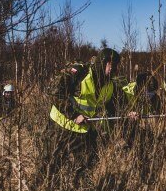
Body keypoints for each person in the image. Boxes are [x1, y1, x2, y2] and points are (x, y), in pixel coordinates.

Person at [44, 47, 121, 183]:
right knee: (50, 165)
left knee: (88, 162)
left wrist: (130, 113)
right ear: (103, 63)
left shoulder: (109, 85)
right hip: (61, 126)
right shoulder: (80, 72)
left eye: (116, 65)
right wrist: (74, 115)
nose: (115, 69)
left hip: (84, 128)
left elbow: (114, 105)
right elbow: (55, 92)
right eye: (112, 65)